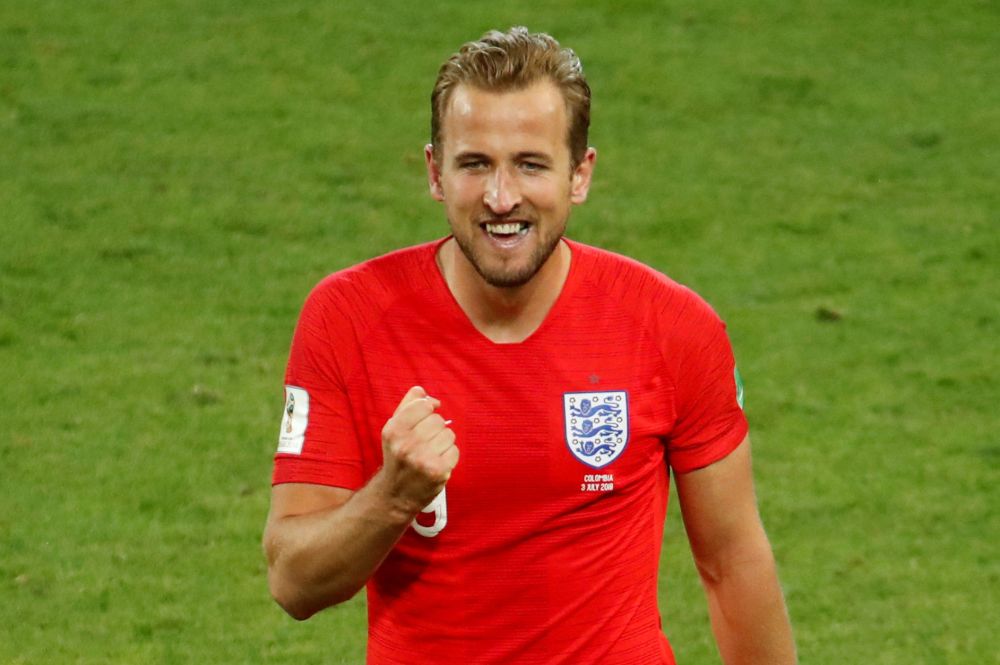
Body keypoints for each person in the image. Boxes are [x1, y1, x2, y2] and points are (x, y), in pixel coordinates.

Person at [263, 26, 796, 665]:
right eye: (475, 163)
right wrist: (393, 496)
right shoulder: (347, 318)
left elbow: (733, 561)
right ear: (435, 172)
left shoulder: (672, 327)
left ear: (580, 174)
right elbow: (293, 582)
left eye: (531, 164)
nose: (501, 197)